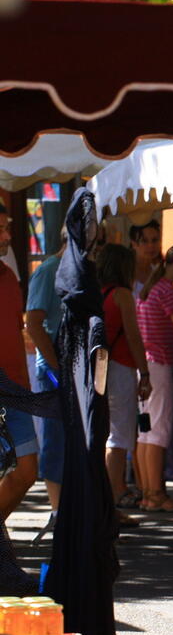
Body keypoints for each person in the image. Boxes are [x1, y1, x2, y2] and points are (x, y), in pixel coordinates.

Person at [135, 243, 173, 512]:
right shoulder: (167, 291)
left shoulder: (149, 289)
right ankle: (157, 494)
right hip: (160, 365)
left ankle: (148, 493)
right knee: (158, 432)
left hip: (146, 365)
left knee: (146, 431)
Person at [97, 243, 151, 521]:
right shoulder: (122, 296)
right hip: (119, 367)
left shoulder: (95, 294)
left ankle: (102, 501)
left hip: (97, 368)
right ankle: (111, 502)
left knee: (101, 433)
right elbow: (133, 337)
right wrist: (146, 373)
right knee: (118, 436)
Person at [0, 202, 40, 523]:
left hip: (16, 389)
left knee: (27, 470)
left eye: (7, 227)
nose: (7, 236)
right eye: (0, 229)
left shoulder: (9, 276)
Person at [23, 228, 66, 514]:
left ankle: (71, 510)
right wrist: (55, 367)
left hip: (73, 369)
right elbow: (33, 323)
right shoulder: (49, 271)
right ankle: (58, 510)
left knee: (75, 440)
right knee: (55, 440)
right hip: (54, 370)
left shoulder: (82, 273)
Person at [129, 220, 161, 298]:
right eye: (144, 241)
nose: (151, 246)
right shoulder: (125, 273)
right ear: (134, 244)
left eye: (154, 240)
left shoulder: (160, 273)